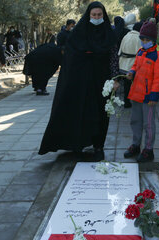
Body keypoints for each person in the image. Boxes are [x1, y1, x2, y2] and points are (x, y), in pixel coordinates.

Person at [38, 1, 119, 160]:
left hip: (101, 81)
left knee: (101, 114)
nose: (96, 17)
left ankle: (98, 147)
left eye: (99, 15)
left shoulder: (109, 33)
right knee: (79, 111)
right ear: (88, 15)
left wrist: (115, 79)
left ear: (104, 15)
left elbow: (113, 57)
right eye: (94, 15)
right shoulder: (78, 33)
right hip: (80, 81)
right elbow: (69, 55)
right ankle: (77, 144)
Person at [123, 20, 159, 162]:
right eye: (142, 39)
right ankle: (136, 145)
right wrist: (131, 72)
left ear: (153, 40)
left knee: (148, 124)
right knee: (135, 121)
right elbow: (135, 65)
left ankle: (148, 149)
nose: (144, 41)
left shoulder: (158, 55)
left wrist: (154, 96)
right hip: (136, 93)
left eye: (147, 39)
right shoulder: (141, 51)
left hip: (148, 97)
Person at [118, 21, 142, 108]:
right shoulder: (139, 38)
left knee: (126, 84)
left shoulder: (126, 36)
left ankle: (126, 101)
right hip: (133, 64)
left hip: (123, 64)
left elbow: (120, 51)